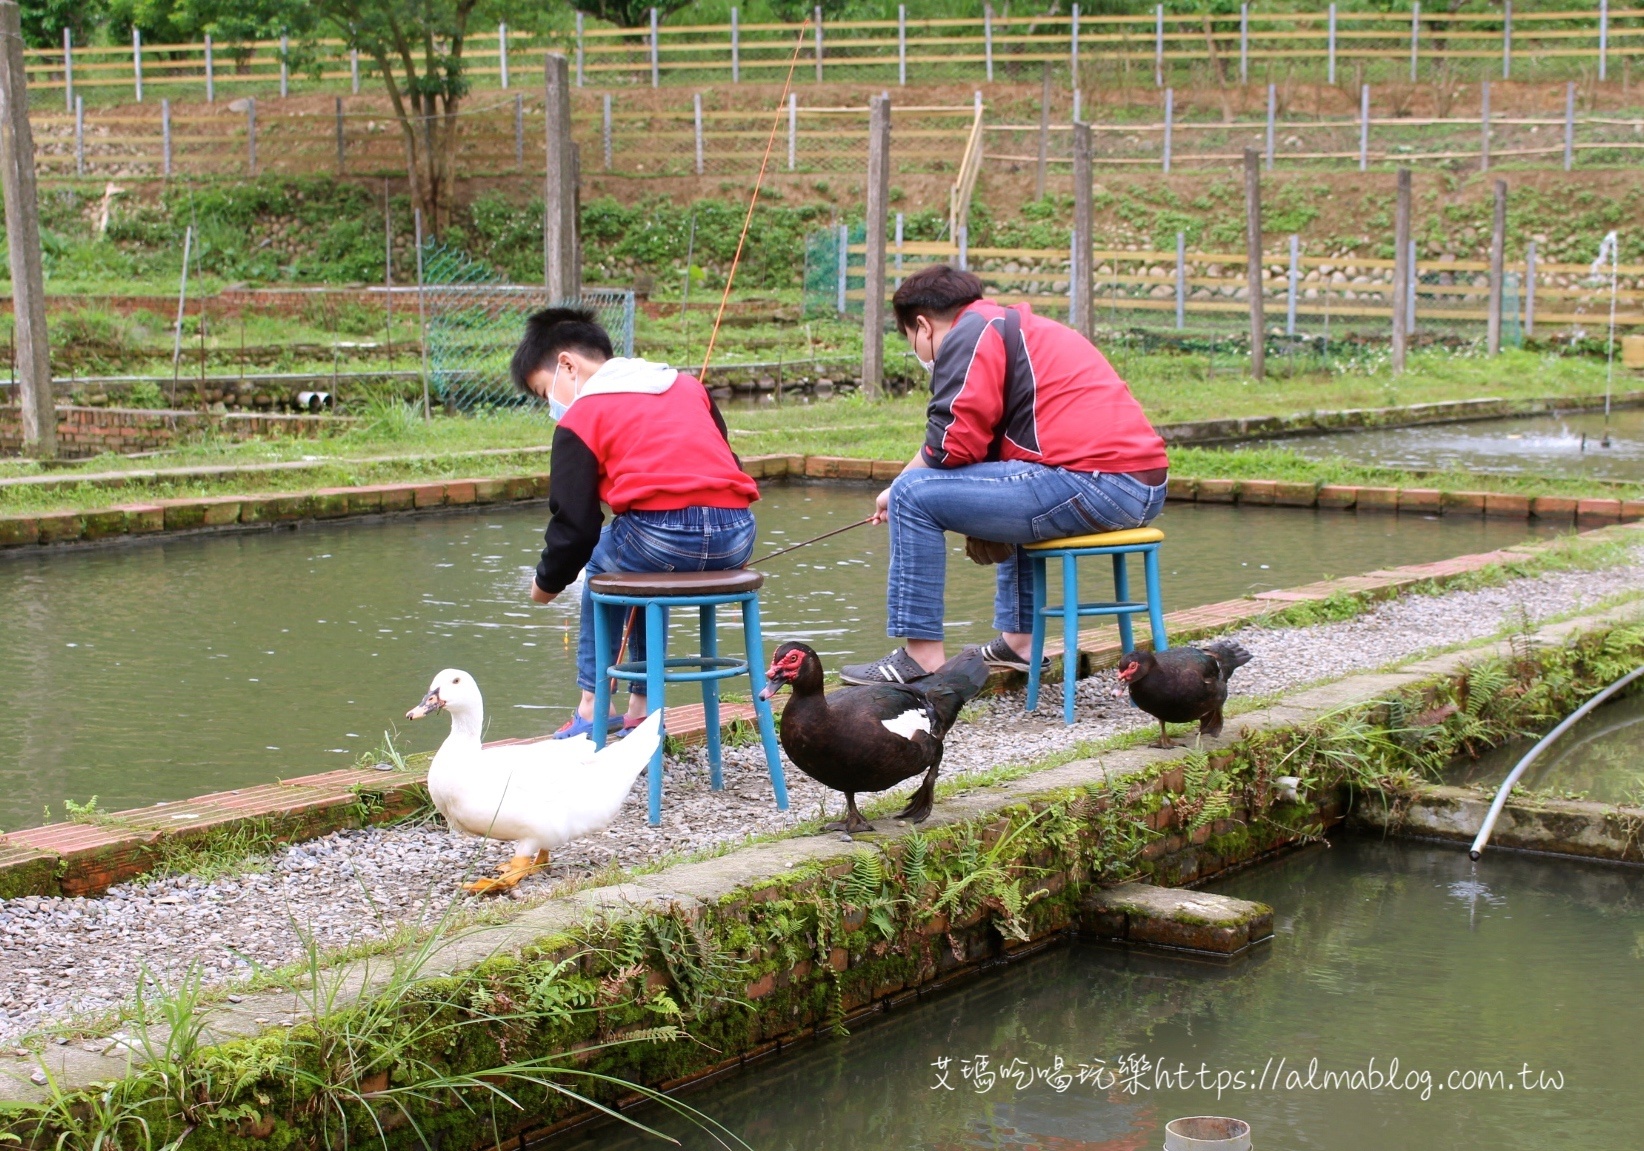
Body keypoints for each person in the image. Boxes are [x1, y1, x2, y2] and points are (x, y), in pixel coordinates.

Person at [841, 265, 1168, 687]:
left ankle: (921, 660)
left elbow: (951, 444)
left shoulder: (970, 332)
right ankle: (1020, 644)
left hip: (1094, 481)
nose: (922, 353)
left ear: (921, 326)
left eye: (911, 341)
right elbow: (980, 445)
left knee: (912, 494)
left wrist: (896, 490)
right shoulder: (1014, 325)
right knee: (988, 479)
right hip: (1139, 485)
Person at [513, 307, 760, 736]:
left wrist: (545, 585)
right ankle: (642, 707)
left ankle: (593, 704)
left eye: (543, 391)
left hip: (662, 538)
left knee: (604, 560)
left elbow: (575, 527)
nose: (551, 405)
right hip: (737, 535)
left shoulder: (581, 416)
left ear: (567, 364)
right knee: (641, 569)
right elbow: (728, 461)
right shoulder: (686, 385)